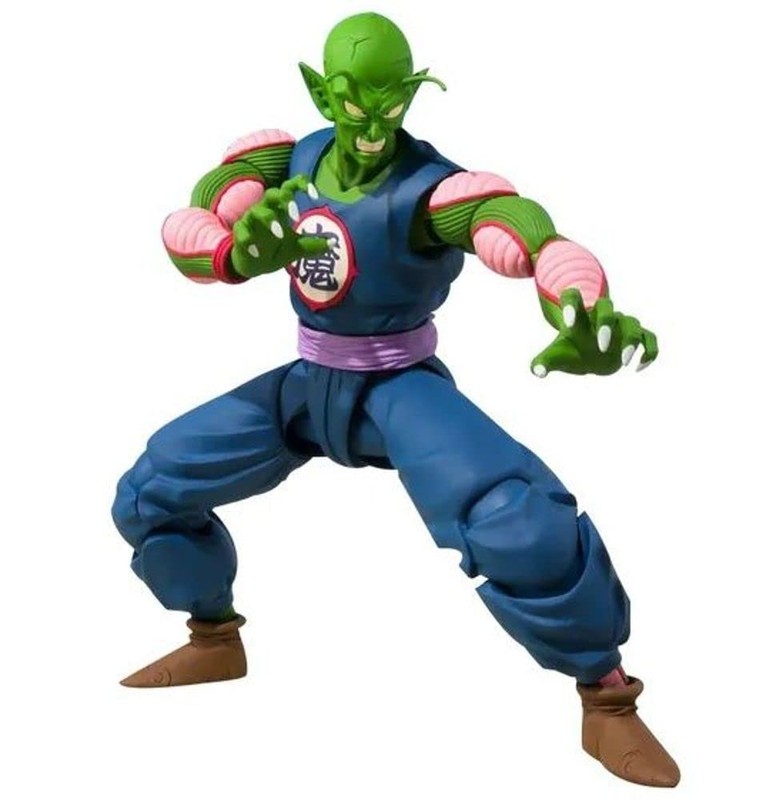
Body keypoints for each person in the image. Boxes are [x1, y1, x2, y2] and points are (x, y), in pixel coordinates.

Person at [112, 12, 678, 788]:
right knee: (150, 491)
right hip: (308, 386)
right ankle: (214, 636)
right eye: (355, 100)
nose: (374, 123)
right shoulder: (285, 161)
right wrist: (236, 250)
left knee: (519, 522)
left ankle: (607, 699)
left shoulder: (430, 190)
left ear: (411, 94)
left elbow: (516, 230)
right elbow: (195, 220)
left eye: (393, 99)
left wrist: (579, 304)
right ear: (322, 93)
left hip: (399, 388)